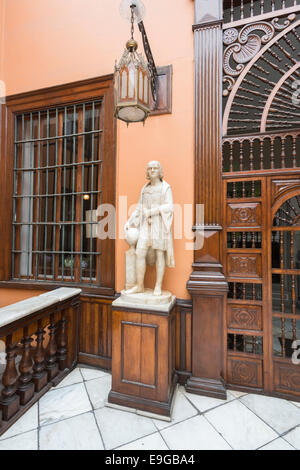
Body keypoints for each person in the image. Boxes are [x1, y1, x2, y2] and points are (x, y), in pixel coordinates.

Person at [124, 161, 175, 296]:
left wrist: (152, 211)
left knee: (159, 254)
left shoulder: (165, 188)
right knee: (140, 252)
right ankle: (139, 285)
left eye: (155, 168)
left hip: (159, 224)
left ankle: (158, 286)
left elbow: (169, 207)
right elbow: (140, 207)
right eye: (150, 168)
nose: (152, 170)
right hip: (146, 225)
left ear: (160, 171)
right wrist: (130, 221)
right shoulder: (145, 188)